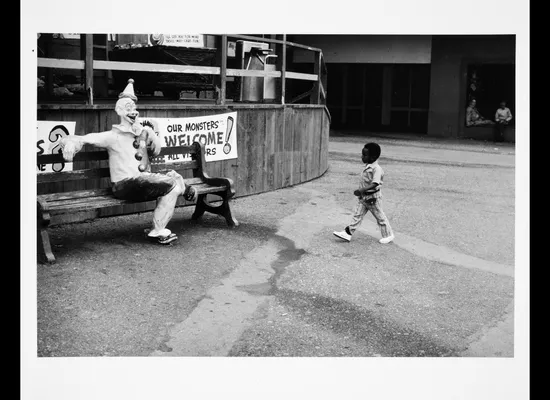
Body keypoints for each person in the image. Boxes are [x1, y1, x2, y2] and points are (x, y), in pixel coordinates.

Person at [59, 79, 197, 245]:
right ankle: (173, 205)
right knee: (172, 184)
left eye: (134, 108)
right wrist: (70, 143)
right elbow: (83, 138)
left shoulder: (141, 133)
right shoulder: (113, 136)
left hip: (141, 181)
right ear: (119, 110)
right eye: (128, 108)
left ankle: (158, 228)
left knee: (172, 183)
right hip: (124, 185)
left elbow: (156, 150)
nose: (133, 112)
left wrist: (152, 135)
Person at [333, 142, 394, 244]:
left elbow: (375, 183)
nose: (362, 157)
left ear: (373, 157)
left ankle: (388, 235)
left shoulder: (377, 169)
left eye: (365, 155)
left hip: (372, 198)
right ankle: (348, 233)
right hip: (364, 198)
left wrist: (362, 190)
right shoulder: (368, 166)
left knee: (380, 216)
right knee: (357, 215)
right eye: (362, 154)